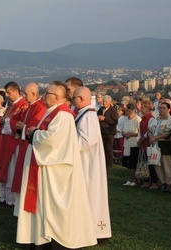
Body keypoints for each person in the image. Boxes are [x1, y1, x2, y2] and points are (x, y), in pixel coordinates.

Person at [16, 81, 97, 249]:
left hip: (55, 170)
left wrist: (34, 133)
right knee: (42, 205)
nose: (45, 96)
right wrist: (32, 132)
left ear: (58, 98)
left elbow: (53, 141)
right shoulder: (51, 112)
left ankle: (55, 240)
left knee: (53, 207)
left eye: (49, 94)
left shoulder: (63, 115)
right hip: (44, 166)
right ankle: (40, 238)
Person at [73, 86, 112, 241]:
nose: (72, 100)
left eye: (74, 98)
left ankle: (94, 231)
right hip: (86, 160)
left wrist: (67, 142)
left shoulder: (88, 116)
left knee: (91, 194)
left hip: (88, 163)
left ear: (81, 99)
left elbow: (86, 141)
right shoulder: (85, 114)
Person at [12, 82, 46, 215]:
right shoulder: (30, 107)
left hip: (30, 144)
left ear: (33, 93)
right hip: (24, 144)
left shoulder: (39, 107)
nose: (24, 96)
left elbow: (36, 126)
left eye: (26, 94)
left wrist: (23, 127)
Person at [0, 81, 28, 205]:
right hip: (6, 141)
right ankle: (6, 197)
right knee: (7, 167)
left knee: (13, 169)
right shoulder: (11, 105)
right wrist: (2, 120)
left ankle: (13, 198)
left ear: (16, 91)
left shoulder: (23, 105)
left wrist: (7, 121)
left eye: (9, 93)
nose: (7, 95)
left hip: (15, 143)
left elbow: (20, 124)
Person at [147, 102, 171, 192]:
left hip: (165, 146)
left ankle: (169, 183)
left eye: (164, 108)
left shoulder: (170, 119)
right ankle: (163, 183)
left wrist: (155, 137)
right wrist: (151, 137)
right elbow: (149, 130)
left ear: (168, 109)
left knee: (167, 166)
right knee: (157, 165)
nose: (161, 110)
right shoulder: (156, 119)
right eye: (160, 108)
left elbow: (167, 133)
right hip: (155, 145)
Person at [136, 100, 159, 189]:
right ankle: (146, 180)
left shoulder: (151, 118)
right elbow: (140, 131)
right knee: (144, 163)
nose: (141, 108)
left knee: (151, 164)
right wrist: (139, 140)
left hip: (148, 144)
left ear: (147, 108)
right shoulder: (142, 118)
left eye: (143, 107)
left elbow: (148, 132)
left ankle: (154, 182)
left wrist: (141, 140)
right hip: (143, 143)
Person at [122, 103, 142, 186]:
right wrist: (124, 134)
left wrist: (131, 134)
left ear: (133, 110)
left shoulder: (137, 119)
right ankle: (132, 179)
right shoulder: (125, 119)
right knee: (129, 162)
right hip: (127, 143)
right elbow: (122, 130)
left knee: (134, 162)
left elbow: (139, 132)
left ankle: (135, 180)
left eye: (129, 110)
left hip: (135, 143)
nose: (128, 112)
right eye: (127, 110)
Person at [97, 95, 118, 170]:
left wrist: (105, 119)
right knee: (102, 148)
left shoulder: (113, 110)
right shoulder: (101, 109)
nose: (104, 103)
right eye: (103, 101)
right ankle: (104, 163)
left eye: (105, 101)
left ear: (109, 102)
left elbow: (115, 121)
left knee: (109, 148)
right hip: (102, 132)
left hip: (109, 133)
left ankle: (110, 164)